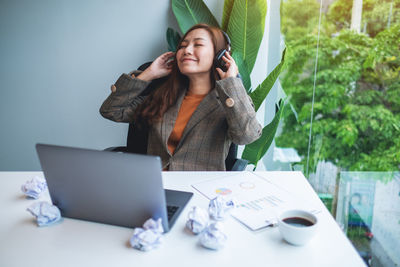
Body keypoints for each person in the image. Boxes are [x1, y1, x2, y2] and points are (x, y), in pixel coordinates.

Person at [100, 23, 262, 171]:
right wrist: (149, 74)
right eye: (183, 46)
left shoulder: (228, 100)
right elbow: (111, 110)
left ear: (220, 55)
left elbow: (247, 135)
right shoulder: (163, 95)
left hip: (201, 191)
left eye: (198, 44)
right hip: (155, 186)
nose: (187, 50)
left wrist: (231, 84)